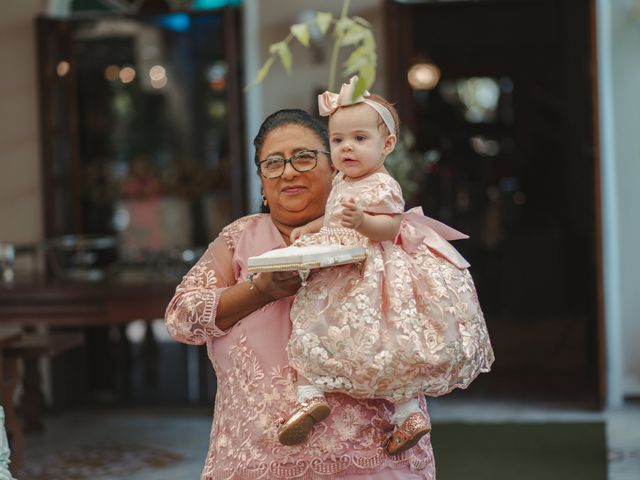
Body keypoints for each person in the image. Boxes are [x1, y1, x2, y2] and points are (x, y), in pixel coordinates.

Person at [165, 109, 435, 479]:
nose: (289, 171)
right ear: (262, 180)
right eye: (273, 164)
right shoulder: (240, 239)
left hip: (373, 460)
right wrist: (257, 292)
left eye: (304, 157)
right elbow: (181, 319)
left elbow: (426, 315)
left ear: (337, 166)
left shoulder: (381, 232)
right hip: (260, 462)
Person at [274, 77, 494, 455]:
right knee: (312, 323)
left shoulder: (382, 184)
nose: (347, 148)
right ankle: (310, 394)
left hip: (373, 273)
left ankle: (407, 411)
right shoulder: (342, 181)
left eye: (359, 139)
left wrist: (362, 222)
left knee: (389, 341)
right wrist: (307, 229)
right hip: (338, 270)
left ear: (386, 145)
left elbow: (390, 226)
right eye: (338, 140)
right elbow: (331, 220)